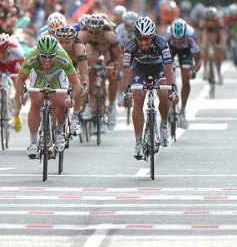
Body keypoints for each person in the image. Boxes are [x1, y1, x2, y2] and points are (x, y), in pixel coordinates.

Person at [14, 35, 81, 159]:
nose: (47, 60)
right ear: (38, 53)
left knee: (62, 102)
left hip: (57, 74)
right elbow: (20, 79)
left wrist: (72, 98)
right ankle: (33, 143)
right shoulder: (32, 56)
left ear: (56, 54)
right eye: (43, 56)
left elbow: (76, 83)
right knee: (35, 102)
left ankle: (59, 132)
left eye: (51, 56)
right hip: (39, 74)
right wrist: (22, 93)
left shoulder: (63, 56)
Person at [121, 16, 178, 159]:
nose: (144, 42)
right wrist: (126, 91)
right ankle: (139, 142)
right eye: (140, 39)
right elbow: (126, 70)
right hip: (139, 70)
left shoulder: (162, 44)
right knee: (138, 98)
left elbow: (168, 68)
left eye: (147, 39)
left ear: (153, 36)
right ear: (136, 37)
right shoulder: (130, 47)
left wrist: (171, 89)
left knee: (164, 95)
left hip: (159, 69)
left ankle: (164, 124)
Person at [78, 13, 123, 130]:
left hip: (108, 49)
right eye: (90, 32)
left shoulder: (110, 35)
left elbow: (118, 55)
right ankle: (89, 104)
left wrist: (118, 69)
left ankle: (112, 106)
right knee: (89, 70)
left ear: (102, 30)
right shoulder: (83, 35)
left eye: (96, 33)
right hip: (93, 49)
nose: (93, 35)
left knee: (112, 75)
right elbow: (78, 53)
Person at [164, 18, 201, 128]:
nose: (178, 42)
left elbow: (199, 60)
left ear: (185, 35)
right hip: (171, 49)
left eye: (181, 40)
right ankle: (169, 97)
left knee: (186, 77)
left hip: (187, 51)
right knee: (166, 69)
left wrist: (193, 71)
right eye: (176, 39)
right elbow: (160, 55)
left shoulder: (190, 36)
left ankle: (183, 110)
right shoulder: (167, 35)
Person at [54, 25, 88, 137]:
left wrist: (84, 87)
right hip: (57, 67)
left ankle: (75, 117)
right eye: (61, 42)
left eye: (67, 42)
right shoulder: (53, 46)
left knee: (78, 84)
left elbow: (83, 72)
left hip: (73, 67)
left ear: (73, 40)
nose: (63, 46)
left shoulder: (79, 48)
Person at [198, 7, 226, 84]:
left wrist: (222, 44)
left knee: (218, 55)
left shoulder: (219, 21)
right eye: (208, 18)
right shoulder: (203, 22)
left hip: (216, 38)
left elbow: (222, 34)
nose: (210, 20)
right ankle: (205, 69)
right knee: (205, 51)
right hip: (207, 38)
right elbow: (200, 34)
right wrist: (199, 44)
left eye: (212, 18)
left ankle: (219, 73)